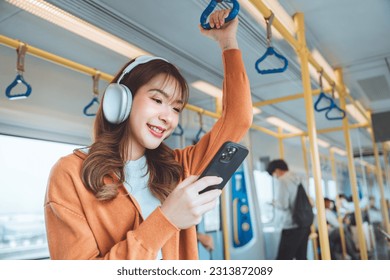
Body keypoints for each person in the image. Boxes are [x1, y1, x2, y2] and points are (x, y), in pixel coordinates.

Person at [44, 9, 252, 260]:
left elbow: (238, 118)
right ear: (121, 100)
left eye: (176, 108)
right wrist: (167, 220)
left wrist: (227, 42)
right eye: (157, 100)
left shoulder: (180, 167)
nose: (169, 117)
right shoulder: (70, 175)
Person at [266, 159, 311, 260]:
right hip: (304, 223)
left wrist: (274, 203)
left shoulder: (283, 180)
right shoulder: (298, 178)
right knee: (301, 257)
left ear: (277, 171)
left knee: (283, 258)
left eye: (274, 174)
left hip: (291, 226)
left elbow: (283, 205)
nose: (275, 177)